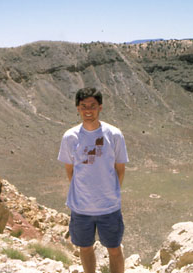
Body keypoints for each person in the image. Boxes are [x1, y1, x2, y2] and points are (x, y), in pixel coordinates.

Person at [58, 87, 129, 273]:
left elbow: (120, 169)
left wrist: (109, 192)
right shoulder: (70, 137)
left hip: (109, 207)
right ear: (77, 108)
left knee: (114, 249)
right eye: (83, 106)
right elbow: (70, 171)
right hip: (81, 208)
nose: (88, 110)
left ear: (100, 108)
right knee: (85, 247)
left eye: (92, 106)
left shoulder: (114, 135)